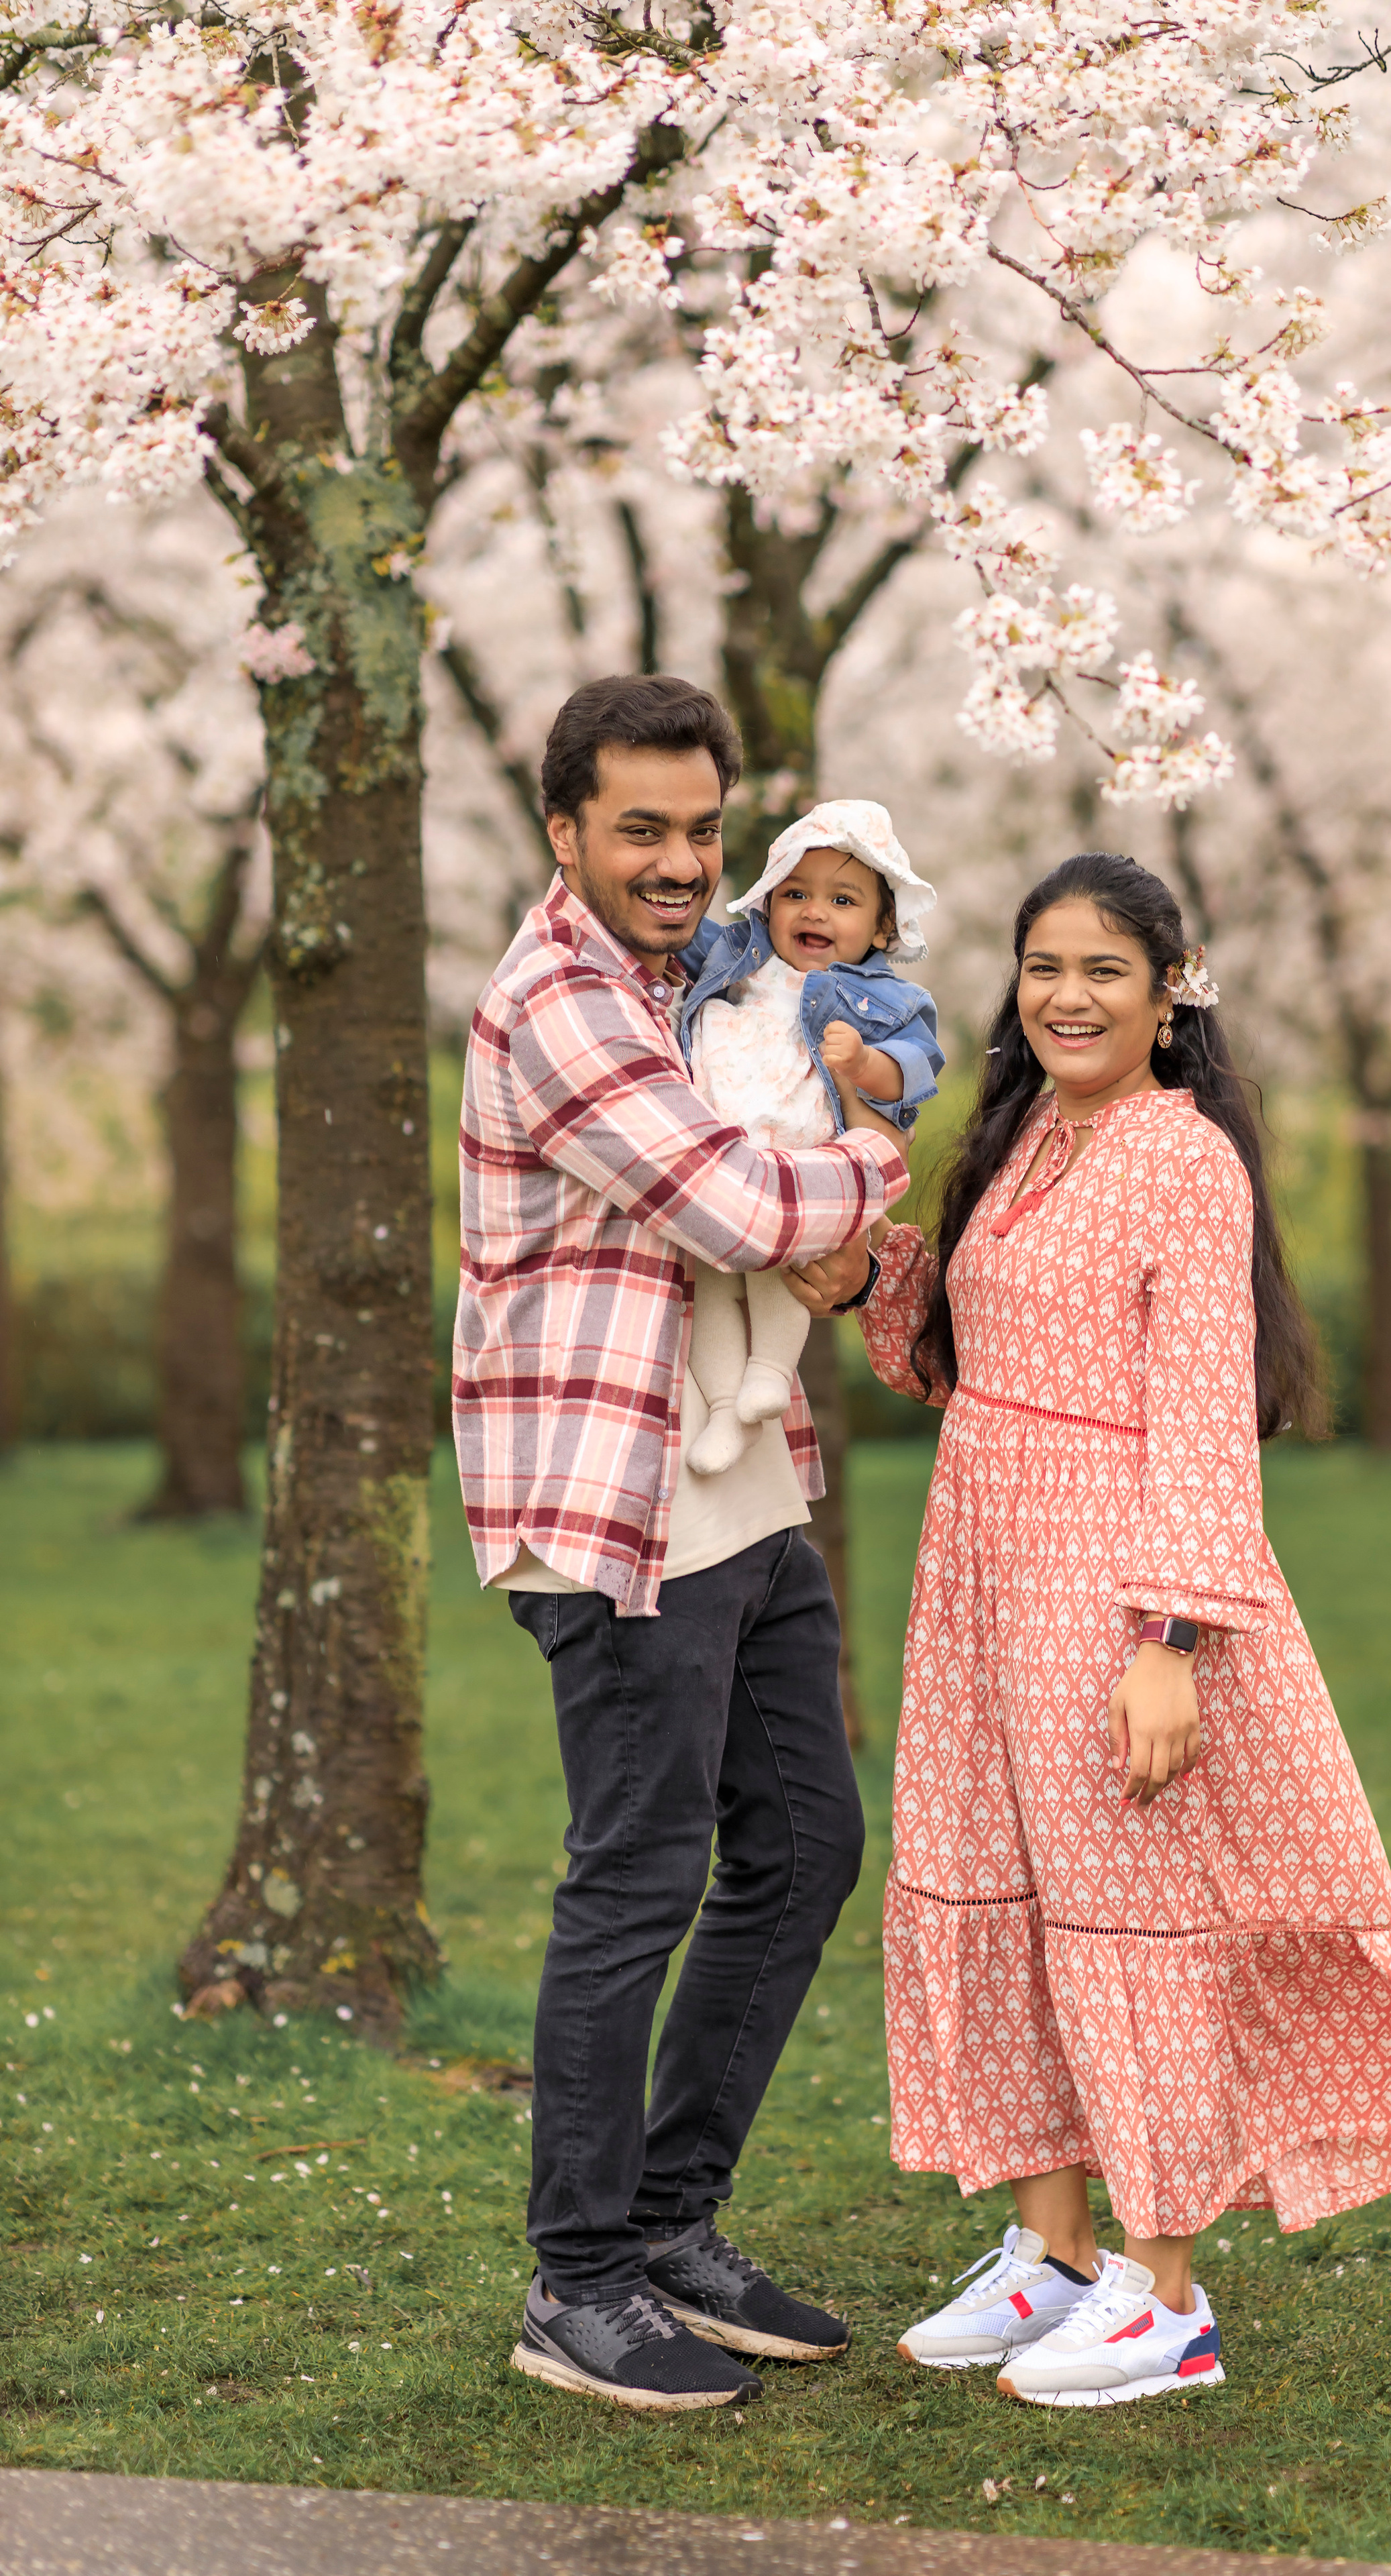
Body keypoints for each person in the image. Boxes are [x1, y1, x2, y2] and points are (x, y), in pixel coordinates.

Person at [860, 851, 1391, 2410]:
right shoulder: (1016, 1134)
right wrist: (868, 1252)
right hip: (978, 1570)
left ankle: (1164, 2293)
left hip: (1107, 1579)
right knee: (1003, 1894)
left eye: (1102, 970)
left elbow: (1204, 1410)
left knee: (1123, 1914)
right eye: (1042, 966)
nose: (1065, 997)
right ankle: (1052, 2249)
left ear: (1167, 994)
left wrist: (1168, 1638)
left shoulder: (1184, 1156)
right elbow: (957, 1362)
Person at [452, 675, 907, 2414]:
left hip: (741, 1489)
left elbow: (778, 1182)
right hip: (613, 1504)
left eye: (702, 829)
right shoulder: (560, 1000)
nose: (677, 860)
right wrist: (871, 1169)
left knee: (802, 1847)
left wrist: (823, 1218)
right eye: (638, 829)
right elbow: (729, 1200)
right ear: (562, 831)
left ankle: (665, 2225)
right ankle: (576, 2283)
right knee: (636, 1878)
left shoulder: (701, 973)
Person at [677, 798, 942, 1474]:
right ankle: (723, 1407)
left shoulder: (885, 999)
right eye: (795, 893)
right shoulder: (739, 958)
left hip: (797, 1161)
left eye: (842, 900)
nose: (814, 911)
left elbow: (915, 1067)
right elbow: (674, 933)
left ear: (883, 926)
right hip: (718, 1158)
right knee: (707, 1284)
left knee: (783, 1266)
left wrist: (864, 1063)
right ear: (767, 903)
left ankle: (768, 1374)